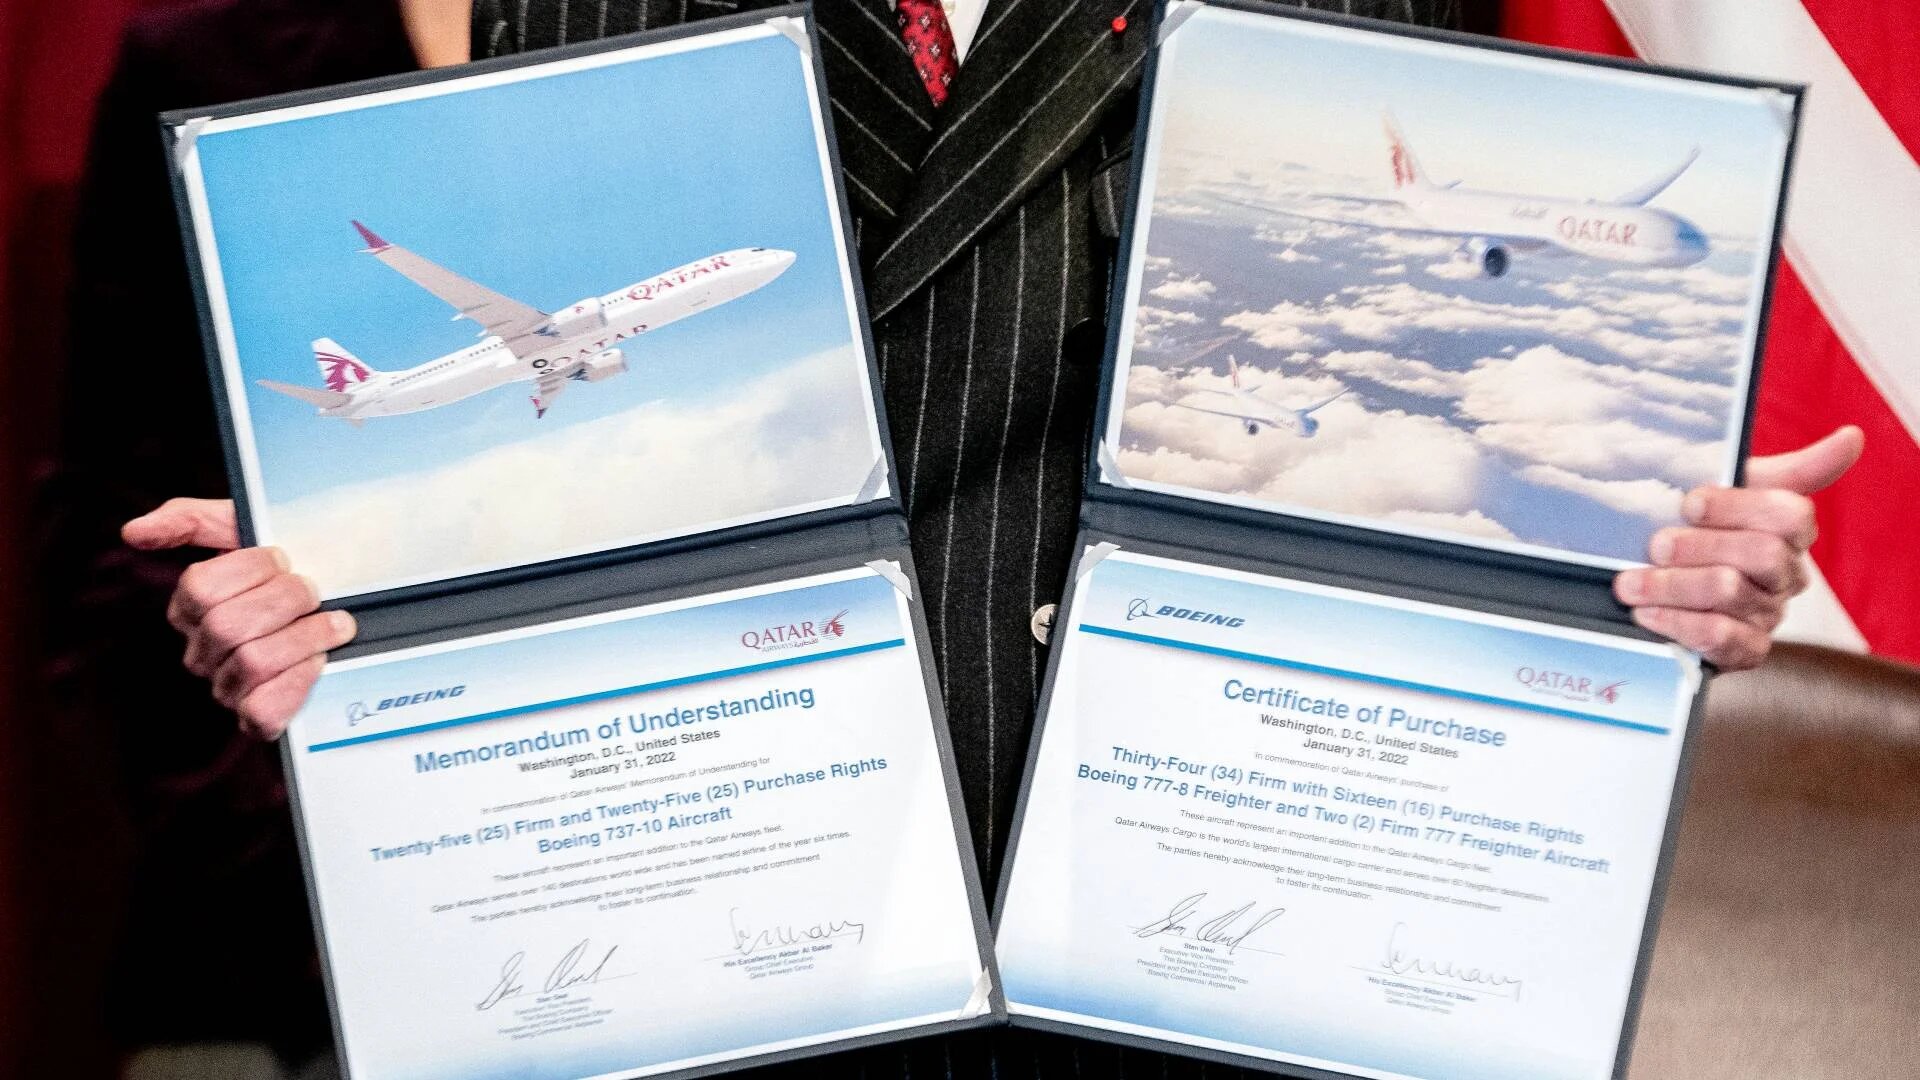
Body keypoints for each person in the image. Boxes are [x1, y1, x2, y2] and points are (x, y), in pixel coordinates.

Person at [72, 0, 1864, 1076]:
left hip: (1185, 937)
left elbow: (1402, 430)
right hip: (722, 936)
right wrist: (342, 608)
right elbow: (614, 515)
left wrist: (1636, 565)